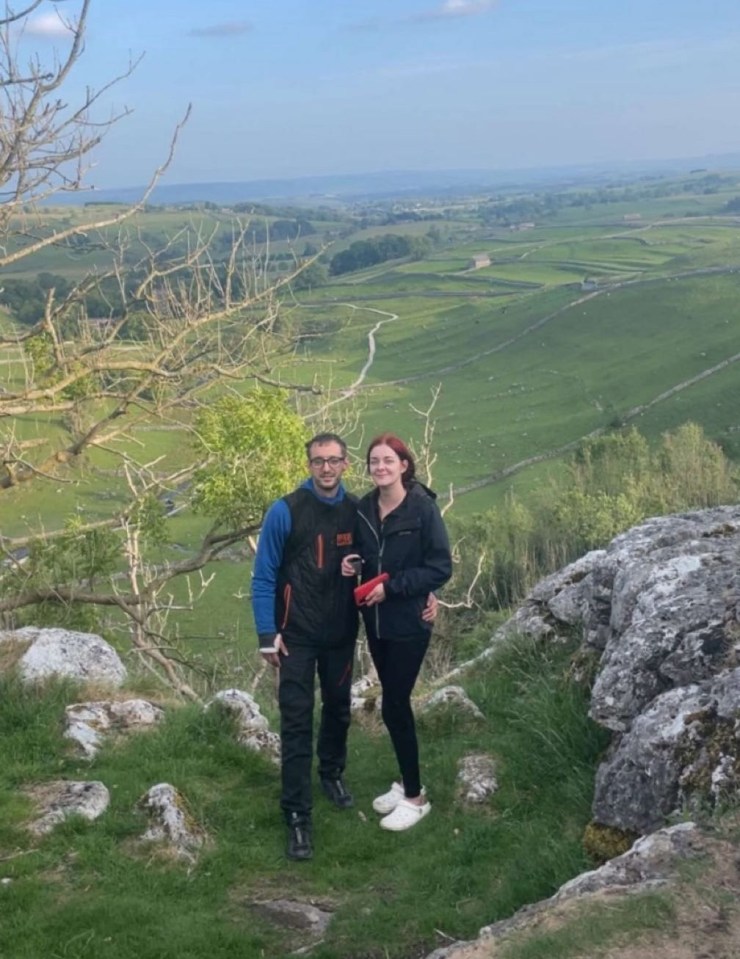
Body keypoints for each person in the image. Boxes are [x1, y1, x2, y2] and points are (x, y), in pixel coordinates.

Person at [252, 431, 438, 861]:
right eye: (318, 461)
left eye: (335, 460)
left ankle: (332, 773)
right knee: (297, 721)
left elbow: (390, 561)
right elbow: (263, 576)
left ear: (346, 464)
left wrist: (427, 593)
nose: (327, 468)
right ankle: (297, 815)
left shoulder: (359, 510)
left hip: (340, 632)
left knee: (338, 710)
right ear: (308, 464)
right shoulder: (285, 511)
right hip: (294, 636)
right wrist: (267, 634)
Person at [342, 433, 452, 832]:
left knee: (395, 704)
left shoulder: (422, 509)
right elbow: (363, 553)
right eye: (374, 461)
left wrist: (395, 587)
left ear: (404, 465)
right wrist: (352, 565)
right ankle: (406, 781)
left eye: (388, 460)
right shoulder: (365, 508)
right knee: (392, 702)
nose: (380, 467)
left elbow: (440, 568)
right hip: (375, 623)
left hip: (409, 622)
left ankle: (416, 797)